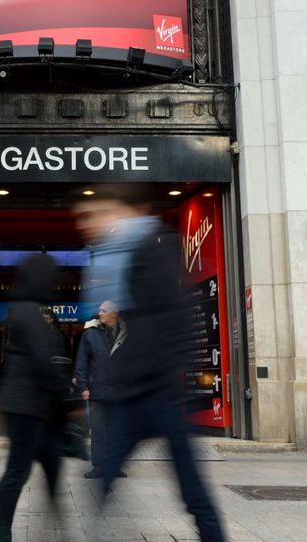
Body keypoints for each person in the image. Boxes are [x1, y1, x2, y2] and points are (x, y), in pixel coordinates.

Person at [73, 185, 225, 542]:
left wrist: (155, 371)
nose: (95, 223)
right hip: (139, 389)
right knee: (108, 474)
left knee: (188, 485)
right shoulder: (127, 251)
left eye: (102, 213)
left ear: (125, 210)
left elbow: (169, 319)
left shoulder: (152, 245)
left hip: (158, 392)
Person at [0, 255, 71, 542]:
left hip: (36, 407)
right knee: (16, 473)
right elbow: (45, 358)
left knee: (51, 466)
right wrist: (65, 392)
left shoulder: (31, 310)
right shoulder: (28, 311)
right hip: (26, 408)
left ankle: (57, 530)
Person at [74, 299, 126, 479]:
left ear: (115, 313)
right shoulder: (91, 334)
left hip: (120, 392)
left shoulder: (125, 334)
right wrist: (83, 386)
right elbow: (82, 362)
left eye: (104, 310)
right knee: (97, 430)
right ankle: (99, 466)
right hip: (97, 391)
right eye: (100, 309)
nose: (100, 313)